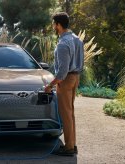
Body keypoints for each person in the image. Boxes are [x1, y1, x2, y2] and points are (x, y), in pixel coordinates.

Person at [44, 12, 84, 156]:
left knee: (66, 115)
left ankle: (68, 148)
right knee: (70, 113)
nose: (53, 27)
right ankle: (72, 144)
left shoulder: (62, 44)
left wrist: (49, 86)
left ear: (59, 25)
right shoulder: (78, 40)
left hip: (66, 80)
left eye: (54, 24)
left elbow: (62, 72)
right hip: (75, 78)